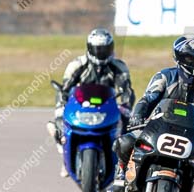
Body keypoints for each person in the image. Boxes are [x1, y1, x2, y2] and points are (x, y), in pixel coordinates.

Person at [112, 34, 194, 192]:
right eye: (191, 57)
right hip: (155, 129)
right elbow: (147, 99)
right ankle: (122, 170)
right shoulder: (165, 76)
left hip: (191, 137)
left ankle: (185, 188)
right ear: (180, 58)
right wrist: (137, 116)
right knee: (124, 142)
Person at [48, 28, 134, 177]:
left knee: (128, 120)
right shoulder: (77, 64)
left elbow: (126, 89)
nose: (101, 52)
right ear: (89, 48)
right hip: (80, 105)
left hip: (107, 105)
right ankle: (65, 156)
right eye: (98, 49)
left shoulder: (118, 66)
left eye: (105, 49)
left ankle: (123, 161)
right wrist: (64, 102)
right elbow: (66, 88)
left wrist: (126, 104)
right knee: (60, 118)